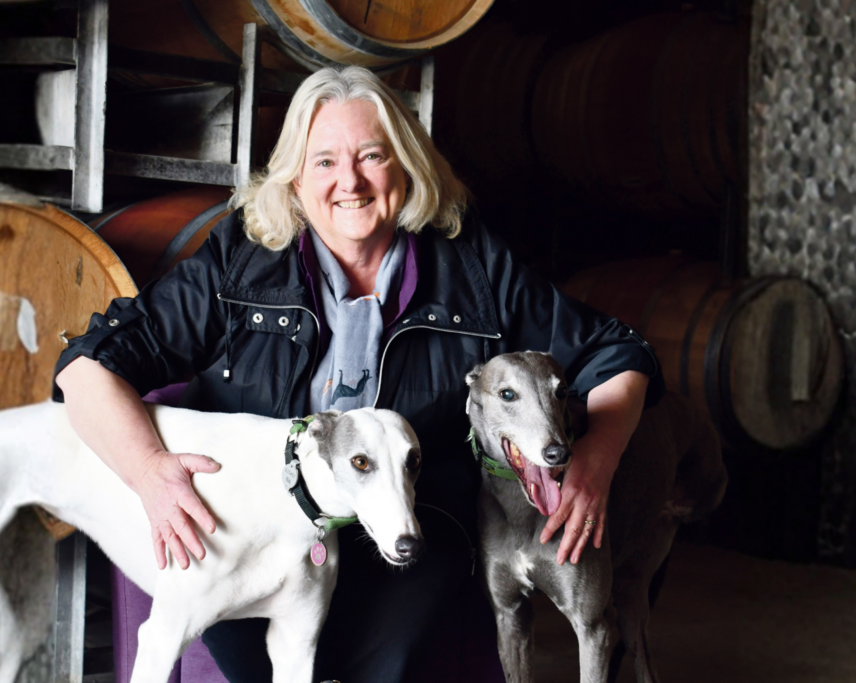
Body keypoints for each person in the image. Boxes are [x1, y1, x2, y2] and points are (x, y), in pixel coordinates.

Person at [53, 65, 663, 682]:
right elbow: (87, 365)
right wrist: (150, 473)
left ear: (405, 165)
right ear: (294, 177)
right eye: (323, 162)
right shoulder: (240, 259)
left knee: (379, 664)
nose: (349, 181)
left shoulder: (471, 262)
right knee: (262, 669)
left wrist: (598, 461)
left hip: (417, 511)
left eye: (371, 156)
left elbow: (615, 352)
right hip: (264, 513)